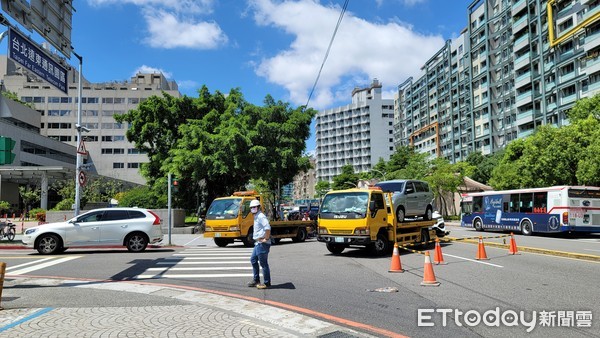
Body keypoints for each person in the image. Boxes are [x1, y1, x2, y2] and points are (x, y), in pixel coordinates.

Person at [247, 199, 272, 289]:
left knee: (263, 263)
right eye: (251, 207)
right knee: (253, 260)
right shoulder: (256, 216)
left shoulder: (261, 216)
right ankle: (256, 280)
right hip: (257, 243)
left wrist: (266, 238)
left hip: (262, 243)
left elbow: (267, 228)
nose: (253, 209)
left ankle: (266, 283)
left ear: (258, 207)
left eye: (254, 207)